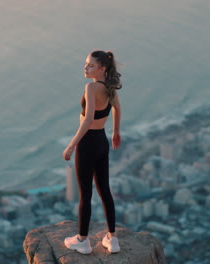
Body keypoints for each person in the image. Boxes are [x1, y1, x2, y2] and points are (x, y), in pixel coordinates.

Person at [62, 50, 122, 254]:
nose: (85, 67)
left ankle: (82, 240)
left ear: (102, 68)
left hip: (87, 143)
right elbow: (117, 108)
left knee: (86, 193)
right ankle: (113, 239)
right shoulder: (110, 87)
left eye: (90, 65)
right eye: (86, 64)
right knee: (104, 189)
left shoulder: (91, 87)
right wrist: (115, 132)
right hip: (102, 141)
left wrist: (71, 145)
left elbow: (87, 120)